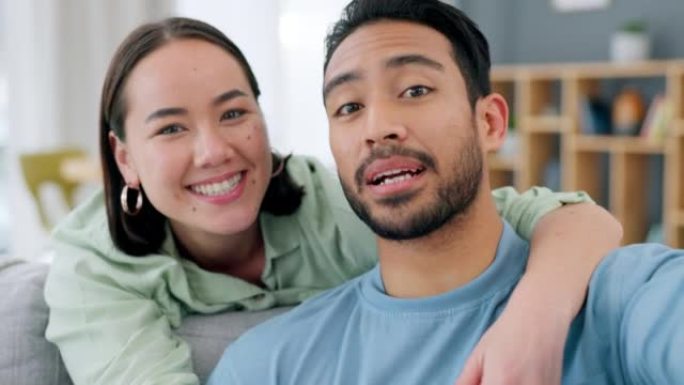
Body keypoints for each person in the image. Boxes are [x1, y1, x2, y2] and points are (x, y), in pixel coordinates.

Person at [43, 16, 622, 385]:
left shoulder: (340, 204)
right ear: (125, 159)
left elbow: (555, 215)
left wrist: (534, 318)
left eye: (234, 113)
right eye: (171, 129)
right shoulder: (95, 269)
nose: (215, 150)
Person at [206, 1, 684, 384]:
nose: (378, 128)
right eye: (349, 106)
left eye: (414, 90)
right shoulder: (267, 366)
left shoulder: (626, 297)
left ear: (490, 122)